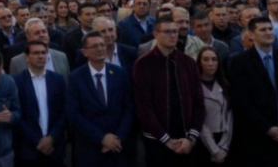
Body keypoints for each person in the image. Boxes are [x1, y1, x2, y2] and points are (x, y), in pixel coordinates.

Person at [228, 17, 278, 167]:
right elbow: (241, 101)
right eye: (263, 30)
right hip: (257, 137)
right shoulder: (240, 62)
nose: (268, 32)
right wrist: (267, 128)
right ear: (251, 35)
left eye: (270, 29)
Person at [133, 16, 204, 166]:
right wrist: (165, 139)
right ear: (156, 34)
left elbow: (198, 101)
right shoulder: (143, 64)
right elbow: (143, 105)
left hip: (186, 138)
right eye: (167, 32)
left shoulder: (188, 63)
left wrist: (191, 137)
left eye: (175, 31)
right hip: (157, 140)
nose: (172, 35)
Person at [67, 31, 133, 167]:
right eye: (95, 46)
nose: (100, 49)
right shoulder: (75, 78)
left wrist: (118, 137)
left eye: (102, 45)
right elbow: (74, 113)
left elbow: (128, 108)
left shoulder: (119, 73)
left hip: (118, 146)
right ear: (85, 52)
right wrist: (101, 138)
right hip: (89, 149)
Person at [11, 40, 66, 167]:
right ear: (27, 57)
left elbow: (64, 111)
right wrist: (38, 141)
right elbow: (17, 115)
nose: (41, 56)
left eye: (43, 53)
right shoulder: (17, 82)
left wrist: (51, 138)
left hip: (54, 149)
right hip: (28, 151)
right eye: (36, 53)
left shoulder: (58, 80)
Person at [195, 47, 232, 167]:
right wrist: (215, 150)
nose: (210, 63)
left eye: (214, 59)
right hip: (203, 142)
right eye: (206, 59)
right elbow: (199, 121)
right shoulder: (194, 87)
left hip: (225, 141)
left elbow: (229, 117)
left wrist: (224, 146)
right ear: (200, 63)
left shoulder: (225, 85)